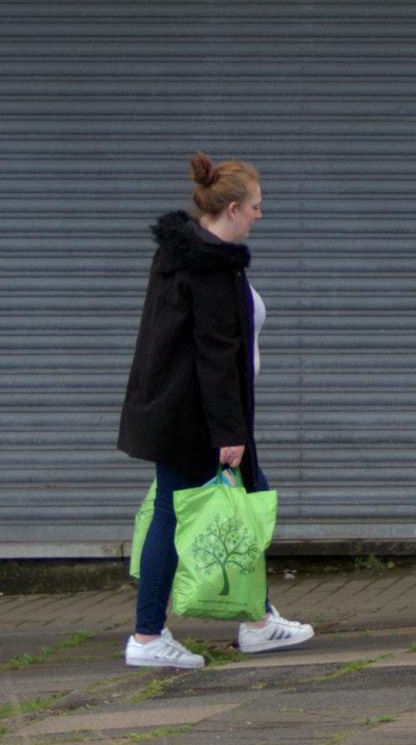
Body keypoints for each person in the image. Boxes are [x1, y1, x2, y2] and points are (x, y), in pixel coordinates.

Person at [118, 152, 315, 668]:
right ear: (231, 208)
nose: (260, 215)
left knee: (246, 501)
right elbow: (213, 356)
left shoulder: (189, 254)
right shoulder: (209, 266)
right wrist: (228, 432)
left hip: (188, 414)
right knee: (177, 517)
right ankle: (146, 637)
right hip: (196, 421)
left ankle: (257, 620)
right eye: (255, 206)